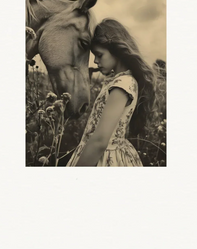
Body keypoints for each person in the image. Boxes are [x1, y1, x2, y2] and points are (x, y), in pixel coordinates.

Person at [66, 18, 157, 167]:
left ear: (116, 50)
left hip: (104, 158)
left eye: (99, 55)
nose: (95, 61)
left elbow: (101, 140)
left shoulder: (123, 84)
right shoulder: (121, 81)